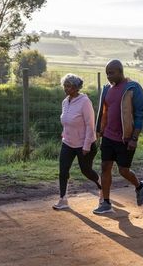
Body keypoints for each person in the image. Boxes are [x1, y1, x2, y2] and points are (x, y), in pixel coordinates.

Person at [93, 59, 143, 214]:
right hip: (108, 137)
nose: (109, 76)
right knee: (105, 167)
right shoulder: (107, 89)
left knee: (123, 170)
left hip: (125, 139)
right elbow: (103, 112)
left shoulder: (133, 88)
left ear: (120, 71)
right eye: (107, 74)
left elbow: (139, 115)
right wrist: (100, 131)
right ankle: (106, 202)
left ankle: (139, 186)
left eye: (111, 73)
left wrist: (134, 138)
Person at [53, 74, 102, 210]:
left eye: (68, 86)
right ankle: (63, 200)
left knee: (86, 171)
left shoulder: (85, 102)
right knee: (63, 171)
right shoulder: (65, 102)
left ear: (76, 88)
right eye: (65, 86)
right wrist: (64, 134)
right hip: (68, 143)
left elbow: (90, 125)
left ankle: (102, 186)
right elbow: (66, 121)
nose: (65, 89)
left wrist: (86, 145)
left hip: (84, 145)